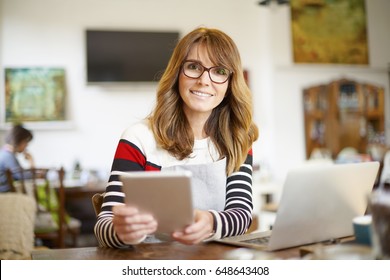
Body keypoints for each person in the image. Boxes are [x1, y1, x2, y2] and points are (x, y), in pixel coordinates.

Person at [94, 27, 259, 248]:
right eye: (193, 67)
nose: (204, 80)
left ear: (230, 83)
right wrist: (122, 232)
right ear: (177, 74)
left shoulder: (237, 138)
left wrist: (210, 221)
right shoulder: (138, 138)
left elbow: (241, 214)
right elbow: (104, 225)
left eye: (219, 71)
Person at [0, 124, 35, 192]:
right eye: (26, 141)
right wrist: (31, 161)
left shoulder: (4, 152)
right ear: (19, 140)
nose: (27, 145)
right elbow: (22, 176)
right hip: (4, 194)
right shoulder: (8, 156)